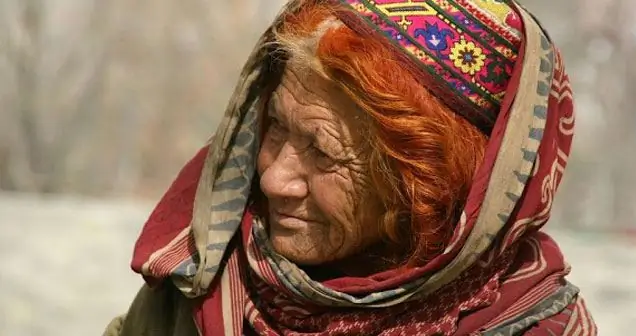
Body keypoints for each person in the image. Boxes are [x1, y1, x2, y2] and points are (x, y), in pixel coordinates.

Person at [104, 0, 596, 335]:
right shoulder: (201, 285)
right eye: (275, 127)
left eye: (323, 152)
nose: (274, 179)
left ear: (427, 187)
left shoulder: (534, 325)